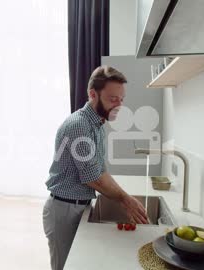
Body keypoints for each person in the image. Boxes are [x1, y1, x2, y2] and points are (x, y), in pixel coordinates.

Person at [43, 66, 149, 270]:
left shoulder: (97, 125)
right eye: (113, 99)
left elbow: (101, 171)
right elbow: (95, 179)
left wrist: (123, 198)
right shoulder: (80, 126)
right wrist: (125, 200)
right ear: (93, 94)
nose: (119, 105)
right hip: (64, 210)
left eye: (121, 99)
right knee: (65, 267)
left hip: (78, 206)